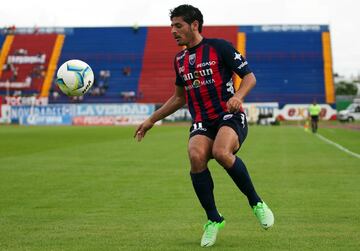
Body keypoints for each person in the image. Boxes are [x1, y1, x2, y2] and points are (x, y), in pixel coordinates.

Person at [134, 4, 274, 247]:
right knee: (195, 155)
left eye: (178, 26)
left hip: (229, 115)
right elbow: (179, 98)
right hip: (202, 120)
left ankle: (256, 202)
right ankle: (213, 219)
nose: (173, 31)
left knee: (221, 152)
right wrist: (151, 120)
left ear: (194, 25)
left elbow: (249, 77)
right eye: (171, 26)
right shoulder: (179, 60)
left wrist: (238, 97)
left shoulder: (219, 47)